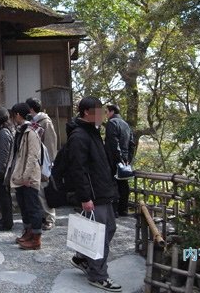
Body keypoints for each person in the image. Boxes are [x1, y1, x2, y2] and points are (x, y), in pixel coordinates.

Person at [67, 96, 122, 292]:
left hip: (103, 191)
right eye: (97, 112)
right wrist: (85, 197)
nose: (101, 115)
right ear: (86, 113)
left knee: (108, 229)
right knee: (101, 235)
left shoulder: (93, 132)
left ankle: (81, 257)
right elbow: (78, 169)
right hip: (94, 194)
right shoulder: (79, 136)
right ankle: (98, 275)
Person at [5, 102, 44, 250]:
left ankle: (36, 238)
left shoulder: (31, 131)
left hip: (29, 176)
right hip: (20, 174)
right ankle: (28, 232)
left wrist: (26, 176)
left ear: (17, 115)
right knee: (24, 206)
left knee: (32, 207)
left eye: (13, 115)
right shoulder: (20, 130)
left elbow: (32, 156)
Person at [25, 97, 57, 230]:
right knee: (37, 191)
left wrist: (49, 162)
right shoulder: (33, 121)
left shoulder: (45, 122)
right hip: (35, 160)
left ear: (31, 109)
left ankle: (50, 218)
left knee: (44, 190)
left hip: (43, 161)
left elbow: (50, 143)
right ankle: (43, 217)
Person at [104, 104, 135, 217]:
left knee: (113, 184)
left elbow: (113, 143)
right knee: (124, 184)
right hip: (125, 160)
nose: (106, 114)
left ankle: (115, 210)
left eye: (106, 111)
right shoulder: (126, 124)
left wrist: (119, 158)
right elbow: (132, 143)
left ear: (112, 111)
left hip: (114, 159)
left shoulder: (112, 123)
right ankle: (124, 209)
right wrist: (128, 159)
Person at [0, 107, 14, 231]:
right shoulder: (7, 131)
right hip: (4, 170)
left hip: (3, 172)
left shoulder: (4, 133)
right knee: (3, 197)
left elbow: (4, 154)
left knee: (4, 197)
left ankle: (7, 223)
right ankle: (4, 220)